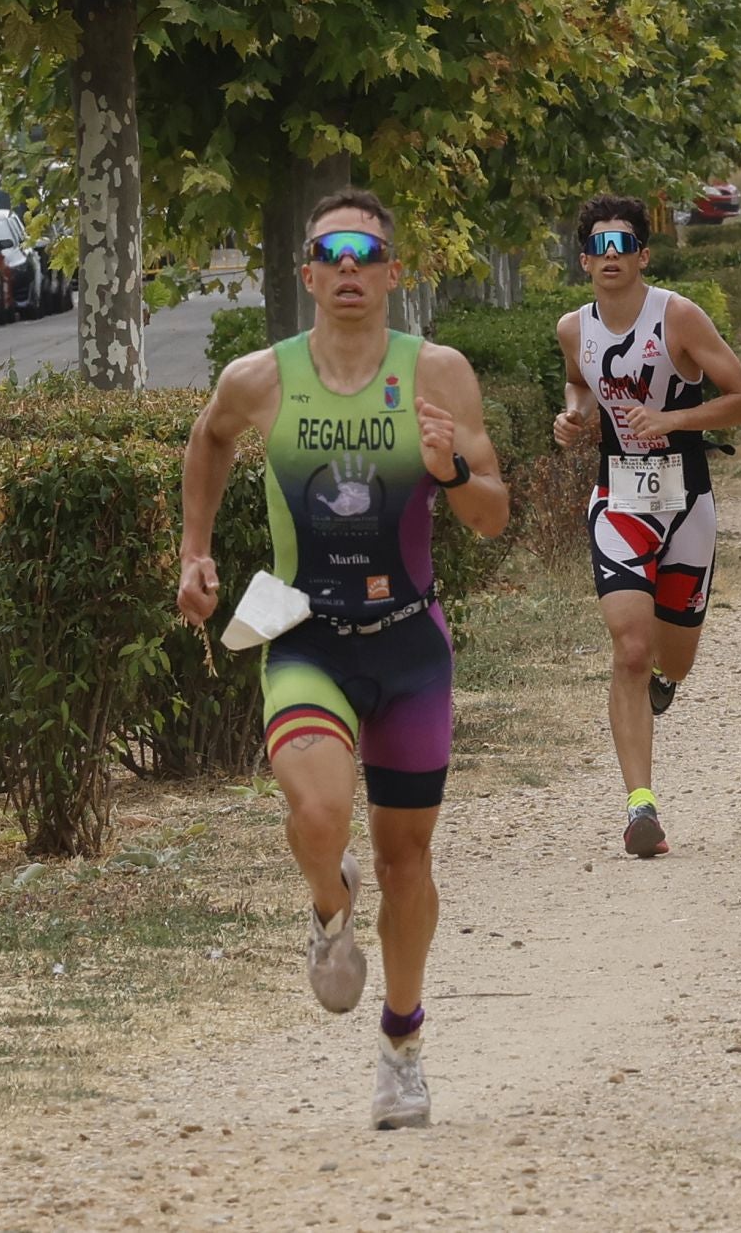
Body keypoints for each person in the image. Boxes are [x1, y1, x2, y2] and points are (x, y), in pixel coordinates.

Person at [176, 187, 510, 1131]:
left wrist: (449, 470)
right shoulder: (260, 379)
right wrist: (194, 552)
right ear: (308, 274)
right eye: (334, 253)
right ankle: (329, 908)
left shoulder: (438, 373)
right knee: (318, 811)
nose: (351, 267)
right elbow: (209, 438)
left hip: (409, 642)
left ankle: (402, 1046)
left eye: (368, 253)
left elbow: (492, 516)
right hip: (305, 635)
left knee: (407, 863)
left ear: (395, 273)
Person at [552, 196, 741, 858]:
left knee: (675, 658)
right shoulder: (573, 328)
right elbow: (579, 384)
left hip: (686, 499)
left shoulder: (678, 317)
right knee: (631, 649)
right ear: (584, 260)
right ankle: (640, 806)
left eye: (624, 244)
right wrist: (573, 415)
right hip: (618, 498)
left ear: (644, 255)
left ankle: (666, 683)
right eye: (599, 245)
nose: (611, 255)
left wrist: (672, 420)